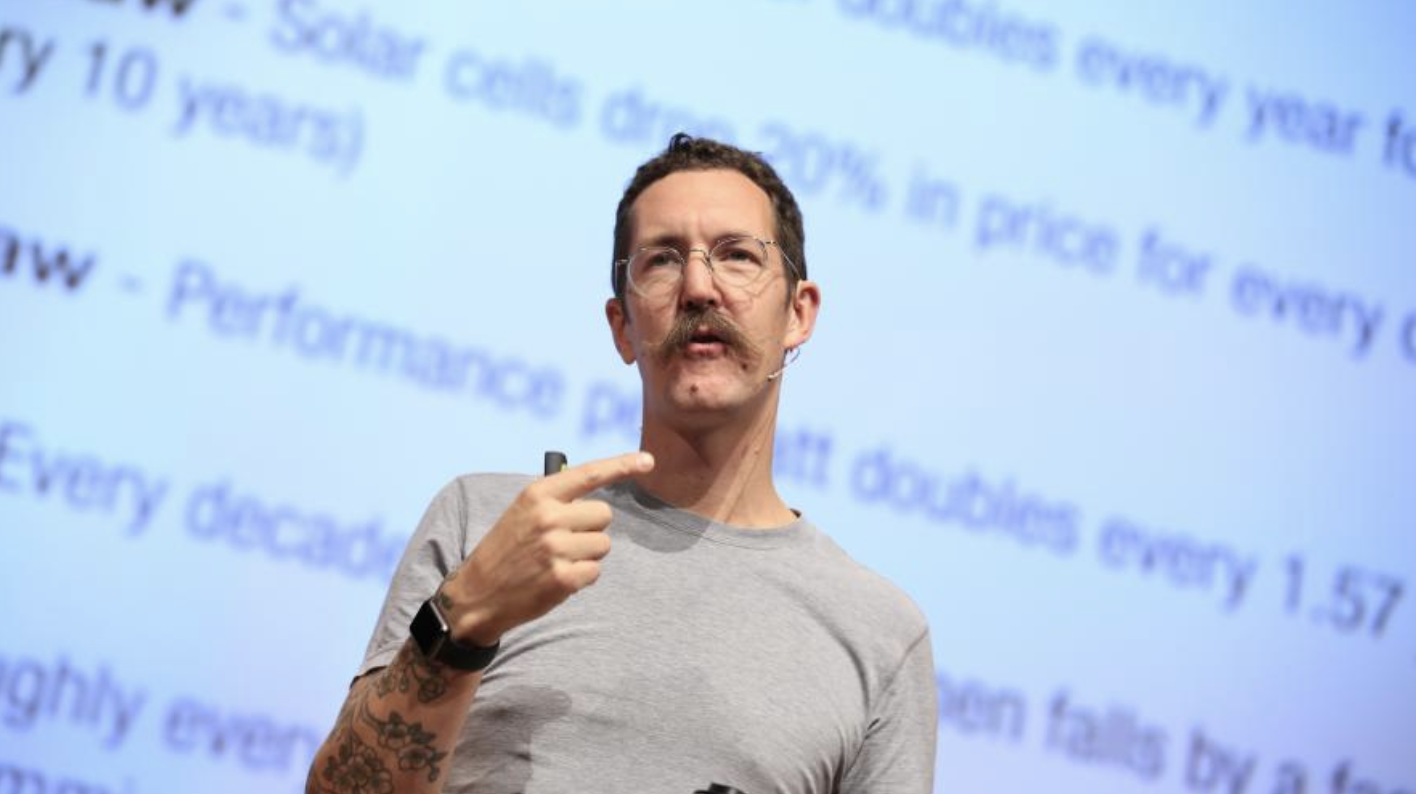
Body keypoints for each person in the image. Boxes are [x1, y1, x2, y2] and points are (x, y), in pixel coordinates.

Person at [305, 134, 937, 793]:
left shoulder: (879, 633)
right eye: (662, 260)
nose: (699, 287)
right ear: (622, 327)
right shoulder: (487, 522)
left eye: (737, 255)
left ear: (797, 314)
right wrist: (464, 619)